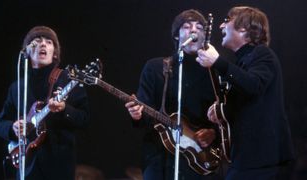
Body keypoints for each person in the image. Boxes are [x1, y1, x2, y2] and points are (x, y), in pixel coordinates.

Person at [197, 6, 295, 180]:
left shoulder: (263, 54)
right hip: (247, 159)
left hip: (264, 161)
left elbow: (254, 85)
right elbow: (248, 102)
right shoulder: (242, 62)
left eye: (227, 20)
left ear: (243, 28)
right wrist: (222, 111)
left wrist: (218, 62)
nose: (221, 26)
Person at [125, 9, 221, 180]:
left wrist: (213, 132)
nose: (194, 30)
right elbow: (144, 112)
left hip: (200, 160)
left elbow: (225, 114)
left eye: (199, 28)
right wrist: (137, 115)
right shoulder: (156, 68)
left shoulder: (213, 74)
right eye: (187, 26)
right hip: (159, 158)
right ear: (176, 36)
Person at [0, 26, 90, 180]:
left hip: (58, 166)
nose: (43, 44)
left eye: (49, 42)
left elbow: (85, 118)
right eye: (37, 41)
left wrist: (64, 109)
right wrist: (13, 128)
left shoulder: (67, 79)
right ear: (27, 51)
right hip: (26, 166)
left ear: (55, 54)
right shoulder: (18, 87)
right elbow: (0, 123)